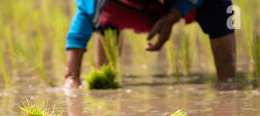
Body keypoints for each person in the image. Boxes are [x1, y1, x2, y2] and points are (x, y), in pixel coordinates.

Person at [64, 0, 236, 88]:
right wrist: (72, 77)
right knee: (103, 78)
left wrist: (175, 14)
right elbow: (85, 15)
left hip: (181, 3)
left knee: (220, 7)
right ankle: (104, 85)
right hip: (129, 9)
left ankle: (228, 85)